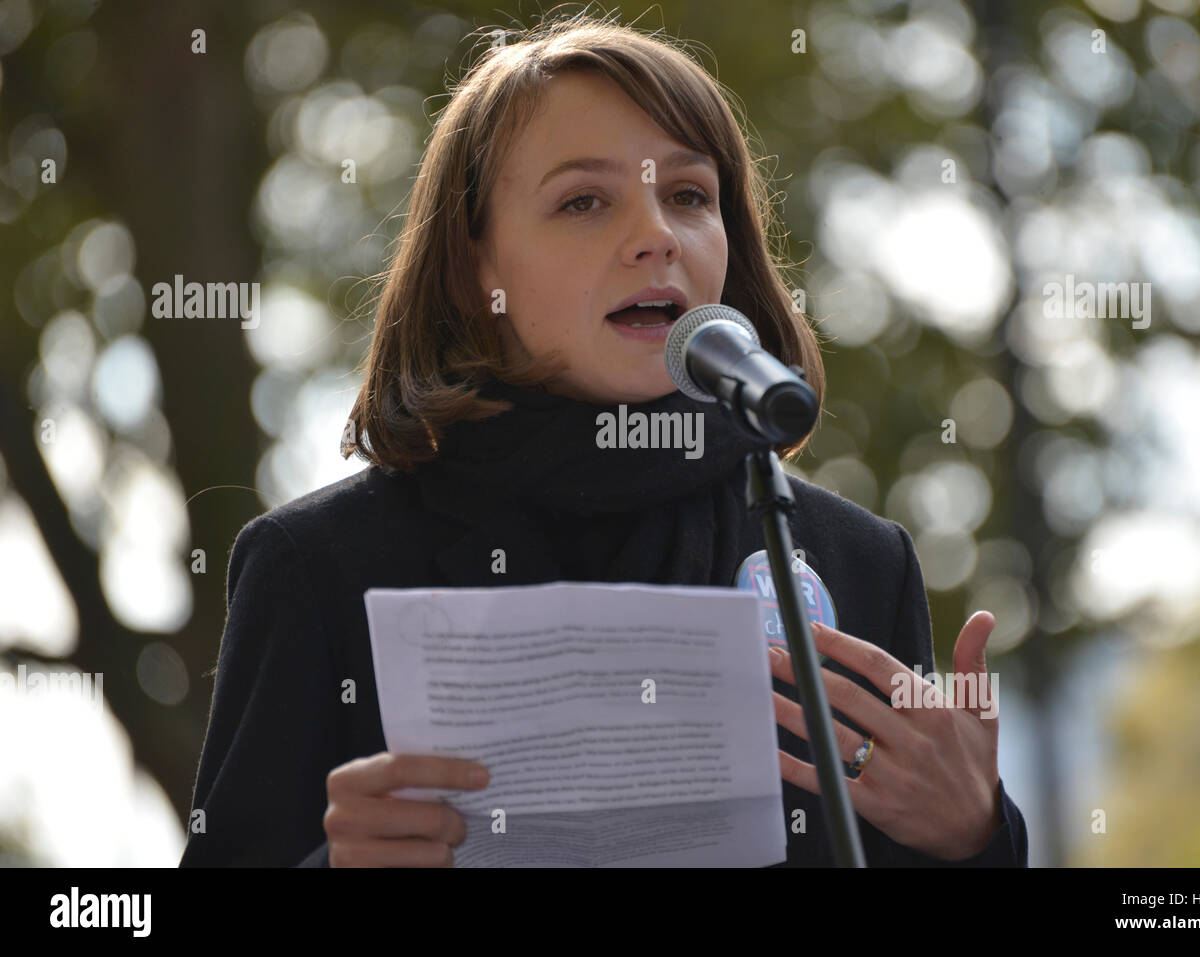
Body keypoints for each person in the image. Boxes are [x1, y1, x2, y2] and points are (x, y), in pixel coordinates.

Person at [179, 13, 1028, 868]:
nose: (656, 234)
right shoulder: (317, 566)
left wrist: (976, 835)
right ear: (478, 268)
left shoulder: (858, 561)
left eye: (691, 196)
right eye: (583, 200)